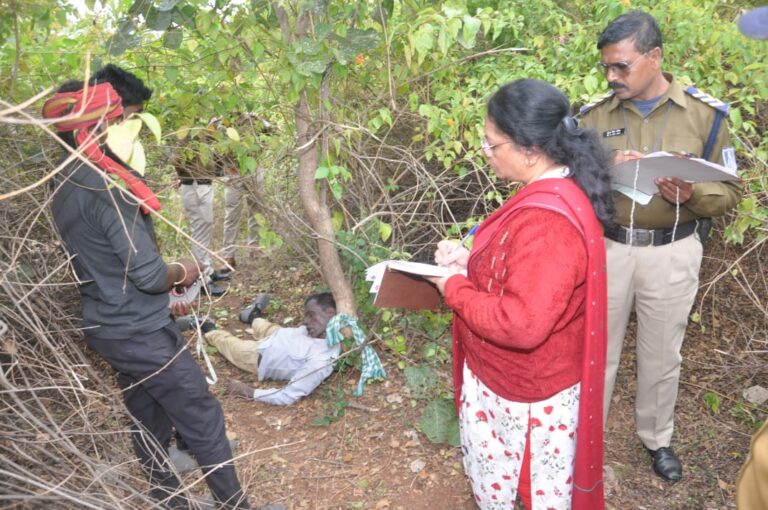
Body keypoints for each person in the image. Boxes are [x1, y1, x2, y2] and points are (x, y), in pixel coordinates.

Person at [45, 68, 253, 509]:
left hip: (108, 324)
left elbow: (110, 264)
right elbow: (148, 276)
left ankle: (168, 499)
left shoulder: (62, 182)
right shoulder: (106, 189)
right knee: (200, 414)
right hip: (137, 330)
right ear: (102, 122)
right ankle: (234, 505)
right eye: (125, 120)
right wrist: (186, 269)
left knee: (147, 412)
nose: (131, 129)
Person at [429, 79, 613, 510]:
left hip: (528, 398)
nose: (484, 150)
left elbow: (522, 324)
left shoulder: (548, 224)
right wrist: (468, 261)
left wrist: (453, 287)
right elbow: (522, 273)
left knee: (530, 492)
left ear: (530, 150)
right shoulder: (546, 193)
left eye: (491, 143)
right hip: (516, 383)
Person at [578, 10, 743, 483]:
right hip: (608, 249)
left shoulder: (705, 116)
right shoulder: (592, 117)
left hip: (673, 249)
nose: (612, 77)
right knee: (596, 351)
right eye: (606, 67)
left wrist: (692, 194)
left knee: (662, 353)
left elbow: (730, 191)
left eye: (622, 66)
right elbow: (569, 184)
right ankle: (587, 437)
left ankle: (657, 439)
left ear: (654, 57)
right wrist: (607, 170)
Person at [204, 292, 340, 406]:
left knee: (229, 344)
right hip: (280, 333)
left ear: (330, 313)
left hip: (258, 355)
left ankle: (208, 328)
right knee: (263, 325)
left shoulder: (321, 361)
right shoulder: (317, 329)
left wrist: (250, 392)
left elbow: (288, 395)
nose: (305, 320)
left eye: (311, 315)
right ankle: (253, 317)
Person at [170, 118, 229, 296]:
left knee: (203, 229)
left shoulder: (202, 136)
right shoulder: (188, 136)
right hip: (195, 186)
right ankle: (202, 278)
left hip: (199, 185)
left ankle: (207, 270)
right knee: (200, 231)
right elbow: (176, 159)